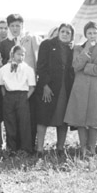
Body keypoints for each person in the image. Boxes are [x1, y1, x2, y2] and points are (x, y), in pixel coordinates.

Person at [64, 21, 97, 157]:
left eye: (95, 33)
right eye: (89, 33)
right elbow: (76, 66)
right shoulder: (79, 48)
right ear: (85, 34)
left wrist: (87, 68)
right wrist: (86, 52)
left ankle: (92, 148)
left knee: (94, 120)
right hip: (81, 88)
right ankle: (83, 148)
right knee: (80, 120)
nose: (92, 36)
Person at [0, 14, 42, 151]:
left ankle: (28, 146)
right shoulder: (5, 43)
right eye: (12, 26)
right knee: (11, 119)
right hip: (12, 86)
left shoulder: (31, 38)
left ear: (23, 26)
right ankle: (13, 147)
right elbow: (5, 63)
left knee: (28, 119)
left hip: (28, 86)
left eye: (18, 25)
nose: (15, 28)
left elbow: (37, 60)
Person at [34, 23, 75, 155]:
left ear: (72, 35)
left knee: (63, 118)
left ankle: (60, 148)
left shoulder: (72, 49)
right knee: (43, 117)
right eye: (62, 31)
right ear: (58, 32)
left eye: (68, 32)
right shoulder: (47, 44)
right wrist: (45, 85)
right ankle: (39, 148)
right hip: (49, 87)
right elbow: (40, 66)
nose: (65, 34)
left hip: (66, 87)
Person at [0, 45, 37, 155]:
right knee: (10, 122)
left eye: (23, 54)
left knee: (24, 122)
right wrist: (6, 97)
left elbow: (32, 87)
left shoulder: (28, 69)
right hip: (9, 95)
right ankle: (11, 148)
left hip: (23, 96)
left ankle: (25, 149)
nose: (21, 57)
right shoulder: (3, 69)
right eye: (18, 54)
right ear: (12, 55)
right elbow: (2, 86)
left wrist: (25, 98)